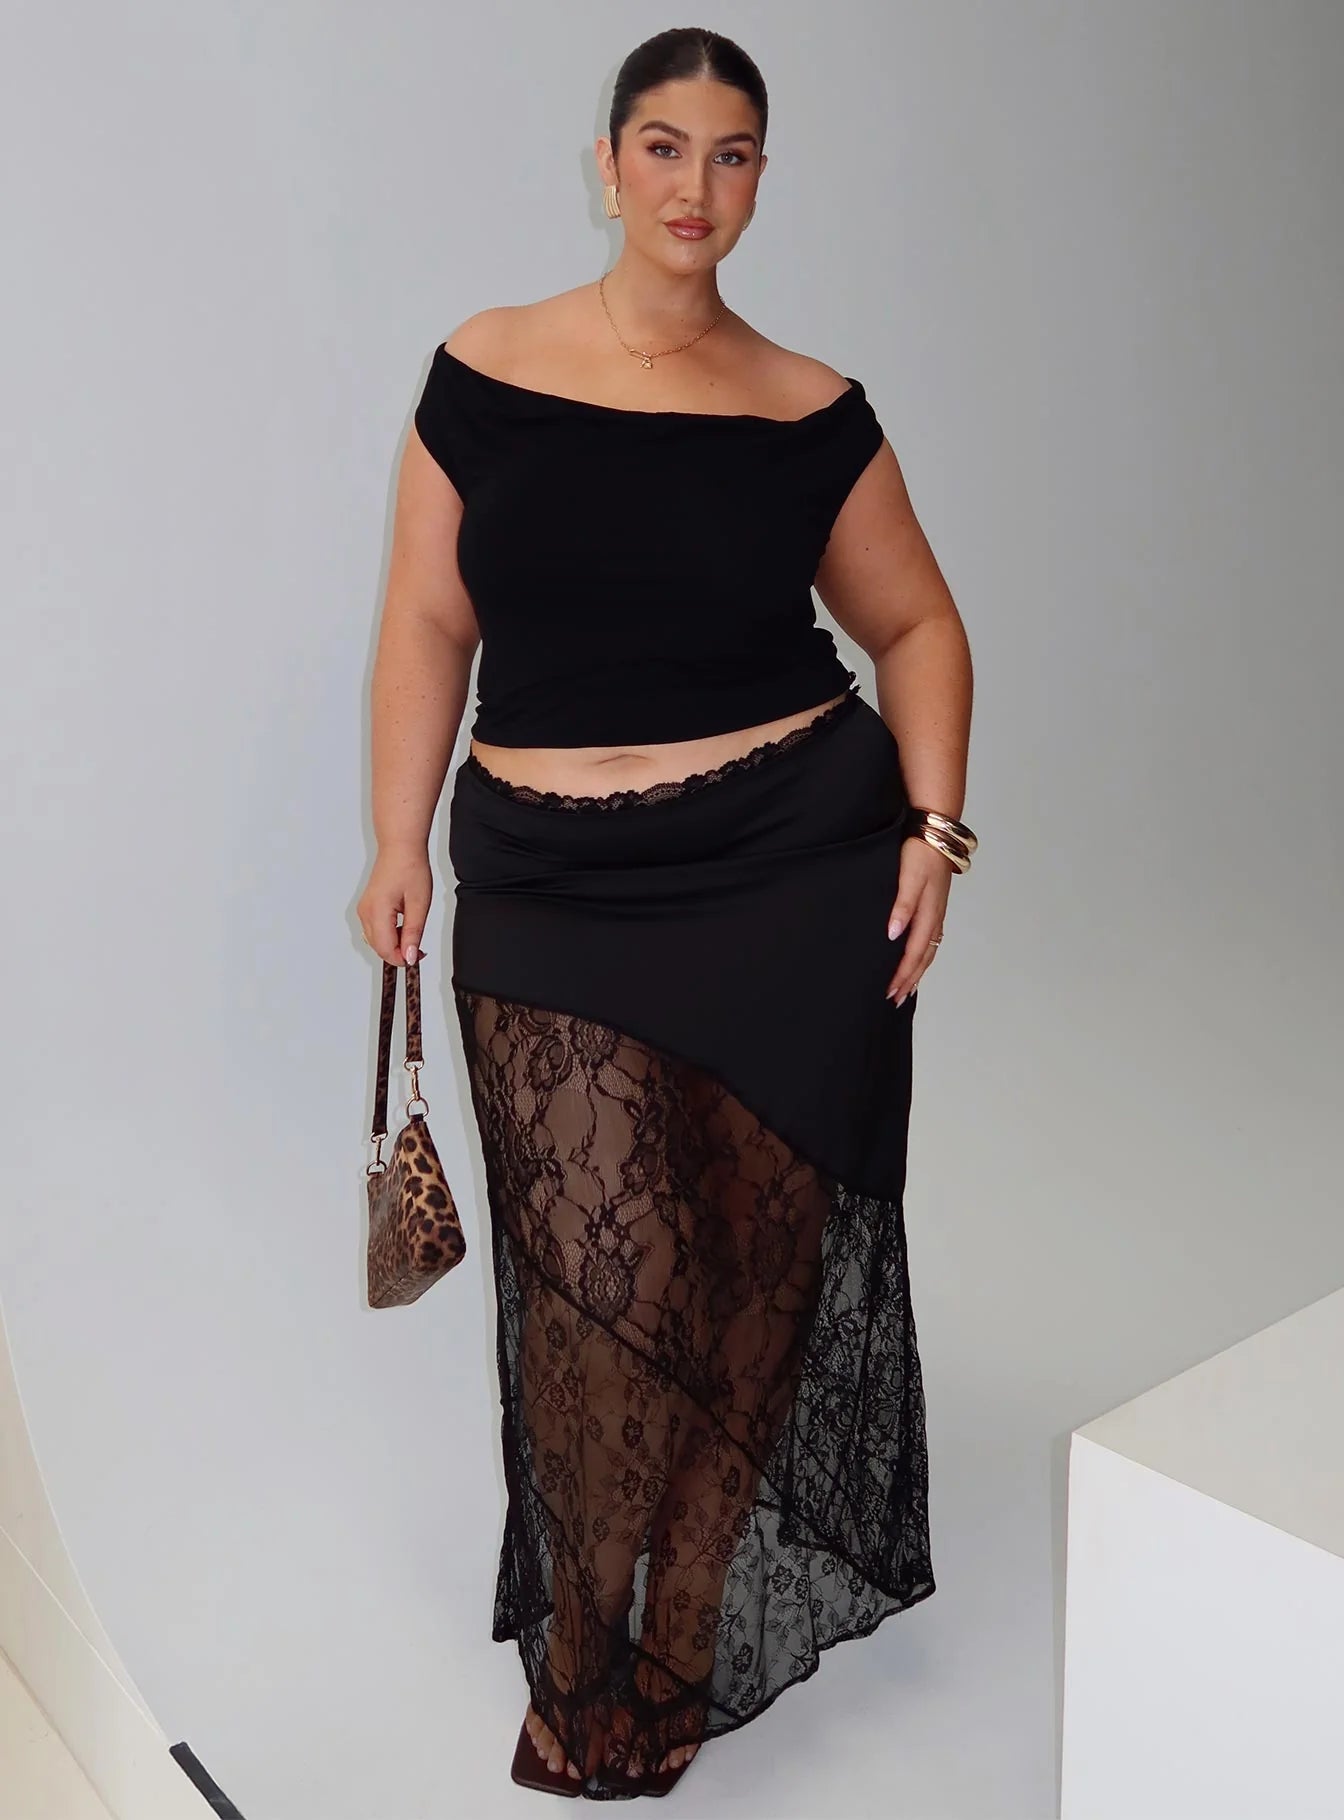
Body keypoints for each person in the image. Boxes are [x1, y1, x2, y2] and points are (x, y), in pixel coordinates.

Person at [356, 25, 975, 1803]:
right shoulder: (483, 370)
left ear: (760, 178)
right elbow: (425, 622)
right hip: (550, 883)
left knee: (753, 1289)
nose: (695, 185)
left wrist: (935, 830)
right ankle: (584, 1659)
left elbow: (919, 626)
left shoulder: (808, 409)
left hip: (796, 871)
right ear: (608, 162)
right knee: (601, 1291)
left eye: (732, 153)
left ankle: (683, 1630)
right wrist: (398, 841)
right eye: (663, 145)